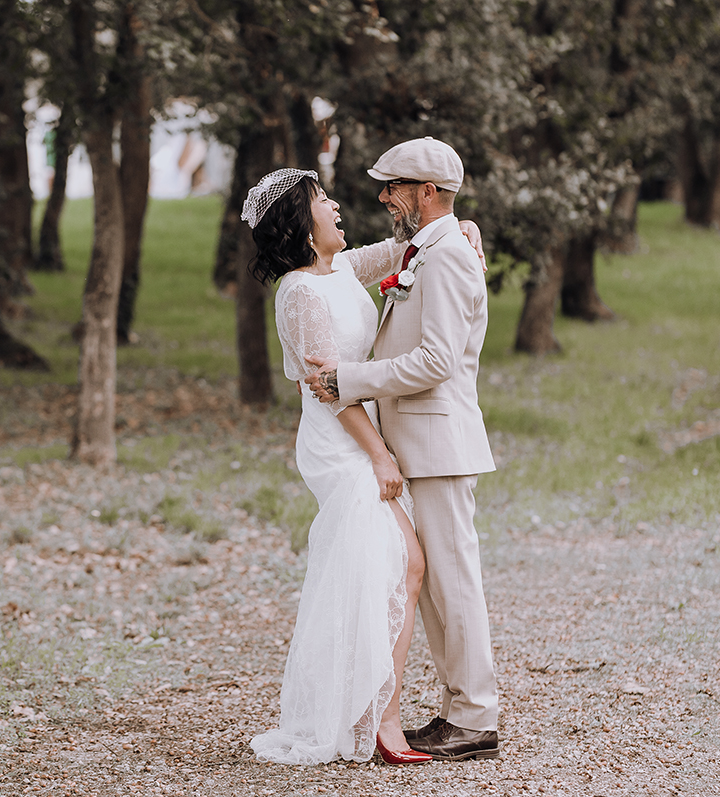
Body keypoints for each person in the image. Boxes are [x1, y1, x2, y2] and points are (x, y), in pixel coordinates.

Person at [303, 137, 500, 762]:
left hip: (439, 441)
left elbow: (438, 360)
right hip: (417, 440)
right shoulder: (427, 249)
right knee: (438, 586)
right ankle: (459, 713)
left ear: (427, 192)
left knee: (453, 584)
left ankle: (474, 717)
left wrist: (349, 380)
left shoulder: (447, 258)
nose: (384, 197)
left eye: (393, 187)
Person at [242, 167, 437, 766]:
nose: (336, 207)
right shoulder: (299, 293)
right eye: (323, 200)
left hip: (362, 433)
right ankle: (382, 719)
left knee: (380, 570)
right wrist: (378, 454)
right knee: (406, 563)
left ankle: (366, 711)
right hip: (340, 438)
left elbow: (405, 247)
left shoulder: (342, 270)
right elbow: (326, 386)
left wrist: (463, 228)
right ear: (303, 224)